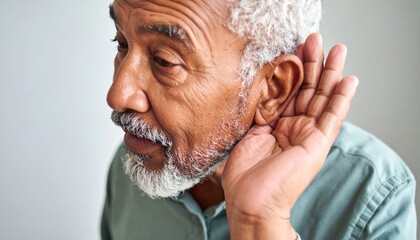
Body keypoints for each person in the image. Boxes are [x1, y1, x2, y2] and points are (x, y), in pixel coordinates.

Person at [101, 0, 416, 239]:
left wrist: (260, 223)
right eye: (122, 43)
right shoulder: (135, 162)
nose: (117, 95)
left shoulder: (374, 195)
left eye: (164, 61)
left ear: (272, 90)